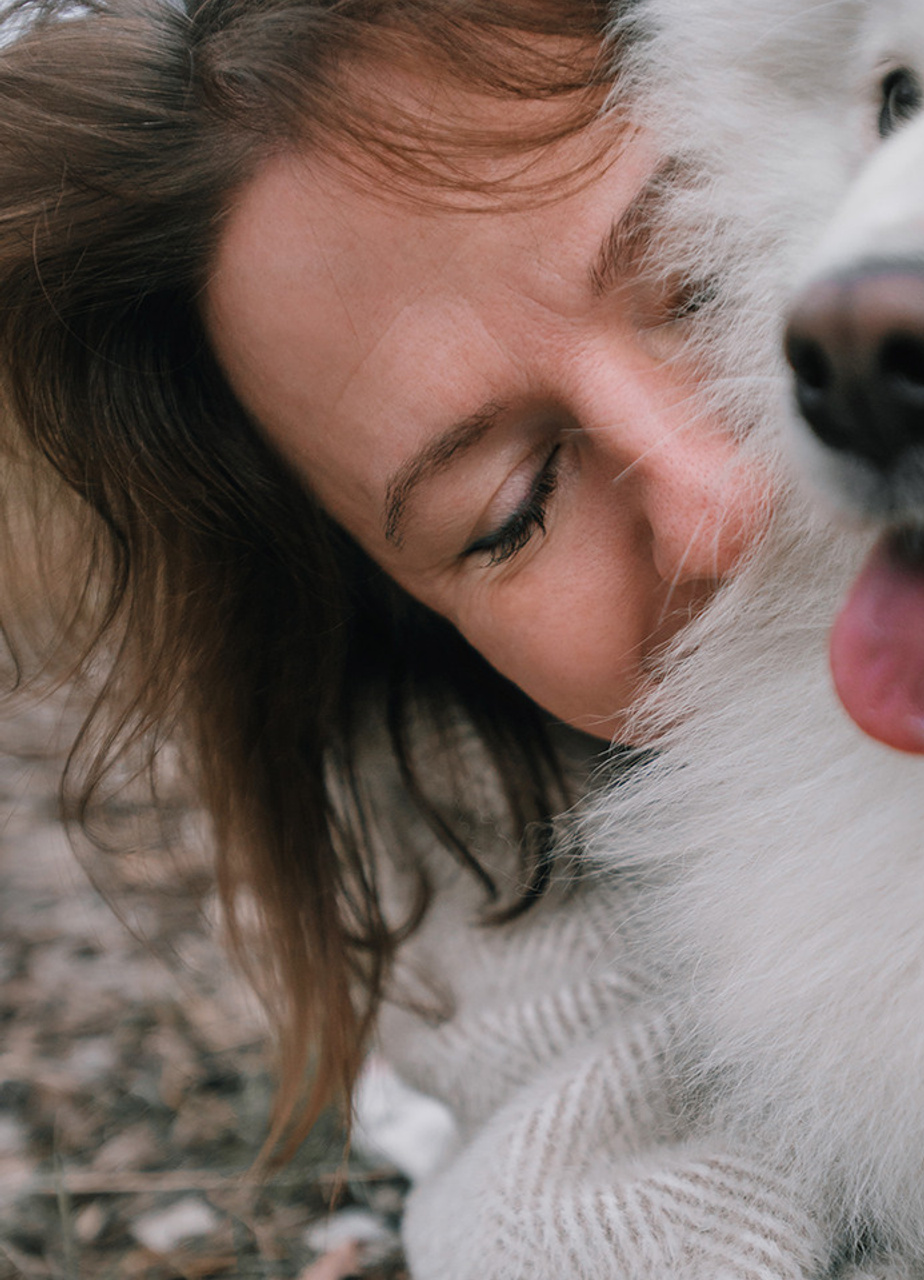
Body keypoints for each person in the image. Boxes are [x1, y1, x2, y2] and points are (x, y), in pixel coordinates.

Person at [0, 0, 765, 1154]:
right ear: (417, 633)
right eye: (513, 512)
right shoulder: (486, 811)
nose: (718, 508)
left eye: (707, 273)